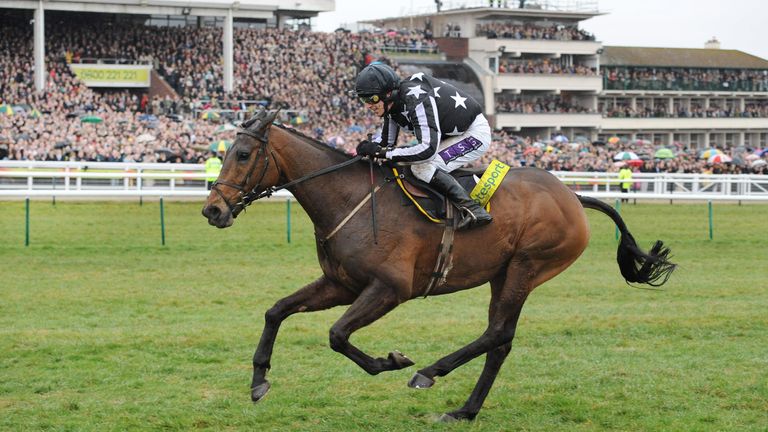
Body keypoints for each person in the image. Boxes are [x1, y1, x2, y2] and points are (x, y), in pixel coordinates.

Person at [353, 62, 493, 230]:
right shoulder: (392, 106)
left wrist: (385, 153)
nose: (368, 105)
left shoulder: (415, 99)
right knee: (406, 163)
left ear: (388, 93)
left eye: (372, 99)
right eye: (363, 99)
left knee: (421, 168)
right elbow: (385, 143)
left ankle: (473, 209)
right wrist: (368, 147)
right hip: (451, 134)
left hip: (474, 134)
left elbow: (427, 150)